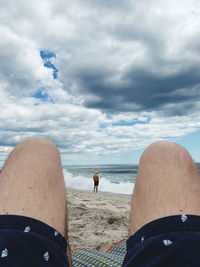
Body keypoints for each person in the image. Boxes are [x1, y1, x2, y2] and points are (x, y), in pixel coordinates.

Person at [1, 138, 200, 266]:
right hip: (182, 253)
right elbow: (96, 179)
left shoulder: (95, 175)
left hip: (15, 250)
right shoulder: (96, 175)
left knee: (37, 148)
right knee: (165, 152)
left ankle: (63, 257)